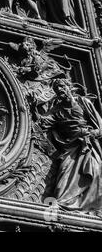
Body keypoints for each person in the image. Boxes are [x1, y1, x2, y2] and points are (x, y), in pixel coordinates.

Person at [39, 79, 102, 214]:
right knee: (64, 173)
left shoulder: (84, 102)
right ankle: (62, 203)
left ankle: (91, 207)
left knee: (96, 172)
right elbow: (43, 122)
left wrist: (93, 133)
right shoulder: (57, 110)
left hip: (89, 145)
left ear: (69, 86)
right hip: (70, 146)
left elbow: (100, 126)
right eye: (57, 89)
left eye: (61, 86)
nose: (60, 90)